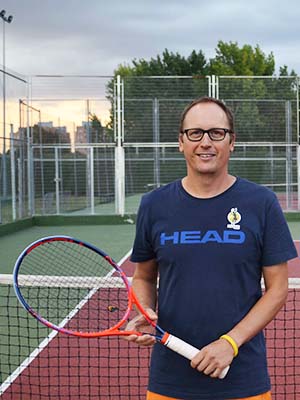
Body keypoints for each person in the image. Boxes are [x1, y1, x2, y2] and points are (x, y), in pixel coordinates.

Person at [126, 96, 297, 400]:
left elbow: (278, 289)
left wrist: (229, 344)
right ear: (181, 142)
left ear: (232, 142)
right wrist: (144, 310)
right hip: (169, 380)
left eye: (216, 133)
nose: (205, 142)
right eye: (195, 133)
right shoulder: (154, 205)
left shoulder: (262, 203)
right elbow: (143, 277)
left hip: (243, 379)